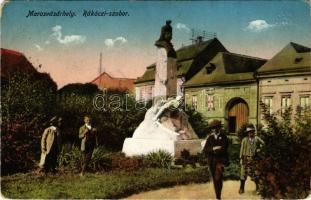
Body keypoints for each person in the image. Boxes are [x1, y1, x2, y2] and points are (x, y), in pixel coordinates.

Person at [203, 120, 229, 200]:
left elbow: (224, 148)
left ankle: (218, 196)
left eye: (215, 128)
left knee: (218, 178)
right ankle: (217, 195)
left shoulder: (224, 137)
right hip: (211, 161)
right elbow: (205, 149)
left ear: (219, 128)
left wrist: (216, 150)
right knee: (215, 179)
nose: (214, 130)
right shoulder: (210, 138)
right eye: (212, 128)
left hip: (220, 161)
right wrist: (214, 148)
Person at [239, 124, 264, 194]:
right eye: (249, 132)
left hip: (254, 159)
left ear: (254, 132)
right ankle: (241, 188)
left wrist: (259, 149)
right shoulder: (245, 140)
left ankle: (258, 188)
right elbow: (241, 149)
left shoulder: (256, 139)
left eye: (252, 132)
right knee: (243, 174)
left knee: (255, 174)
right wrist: (241, 158)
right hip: (245, 158)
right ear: (247, 133)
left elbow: (264, 144)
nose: (251, 133)